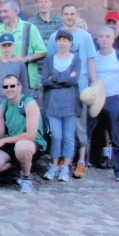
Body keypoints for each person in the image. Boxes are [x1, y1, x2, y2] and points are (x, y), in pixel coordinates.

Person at [45, 3, 96, 178]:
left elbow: (90, 61)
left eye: (72, 13)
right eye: (66, 13)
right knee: (59, 133)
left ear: (77, 15)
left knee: (79, 129)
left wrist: (94, 85)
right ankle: (59, 163)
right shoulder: (54, 37)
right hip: (58, 94)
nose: (69, 16)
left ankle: (81, 161)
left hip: (81, 89)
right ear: (62, 15)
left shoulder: (85, 37)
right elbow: (50, 64)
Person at [87, 26, 119, 181]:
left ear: (113, 39)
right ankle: (82, 164)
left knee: (116, 136)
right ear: (97, 39)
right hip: (95, 99)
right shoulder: (93, 58)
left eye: (107, 36)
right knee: (86, 133)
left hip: (113, 99)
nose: (104, 39)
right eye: (101, 36)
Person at [0, 74, 47, 193]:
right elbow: (0, 134)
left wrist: (3, 141)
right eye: (5, 86)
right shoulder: (3, 107)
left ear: (20, 87)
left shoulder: (29, 103)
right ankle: (17, 165)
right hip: (12, 143)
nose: (9, 89)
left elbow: (30, 135)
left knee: (22, 146)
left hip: (32, 143)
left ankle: (26, 178)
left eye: (12, 86)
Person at [41, 29, 80, 182]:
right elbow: (44, 81)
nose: (62, 43)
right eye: (60, 40)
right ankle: (54, 164)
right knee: (56, 136)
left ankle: (66, 166)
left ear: (70, 43)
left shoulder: (75, 60)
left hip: (70, 104)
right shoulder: (50, 60)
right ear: (56, 42)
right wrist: (64, 79)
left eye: (65, 40)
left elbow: (74, 81)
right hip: (53, 104)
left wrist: (55, 78)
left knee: (68, 136)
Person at [0, 0, 46, 95]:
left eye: (5, 11)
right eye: (0, 12)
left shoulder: (29, 28)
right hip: (4, 87)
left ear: (16, 11)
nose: (2, 15)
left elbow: (43, 52)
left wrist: (26, 58)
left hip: (27, 83)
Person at [0, 32, 30, 127]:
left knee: (16, 130)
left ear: (14, 46)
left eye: (9, 45)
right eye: (4, 45)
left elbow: (24, 85)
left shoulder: (19, 64)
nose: (7, 48)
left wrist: (25, 103)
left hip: (17, 103)